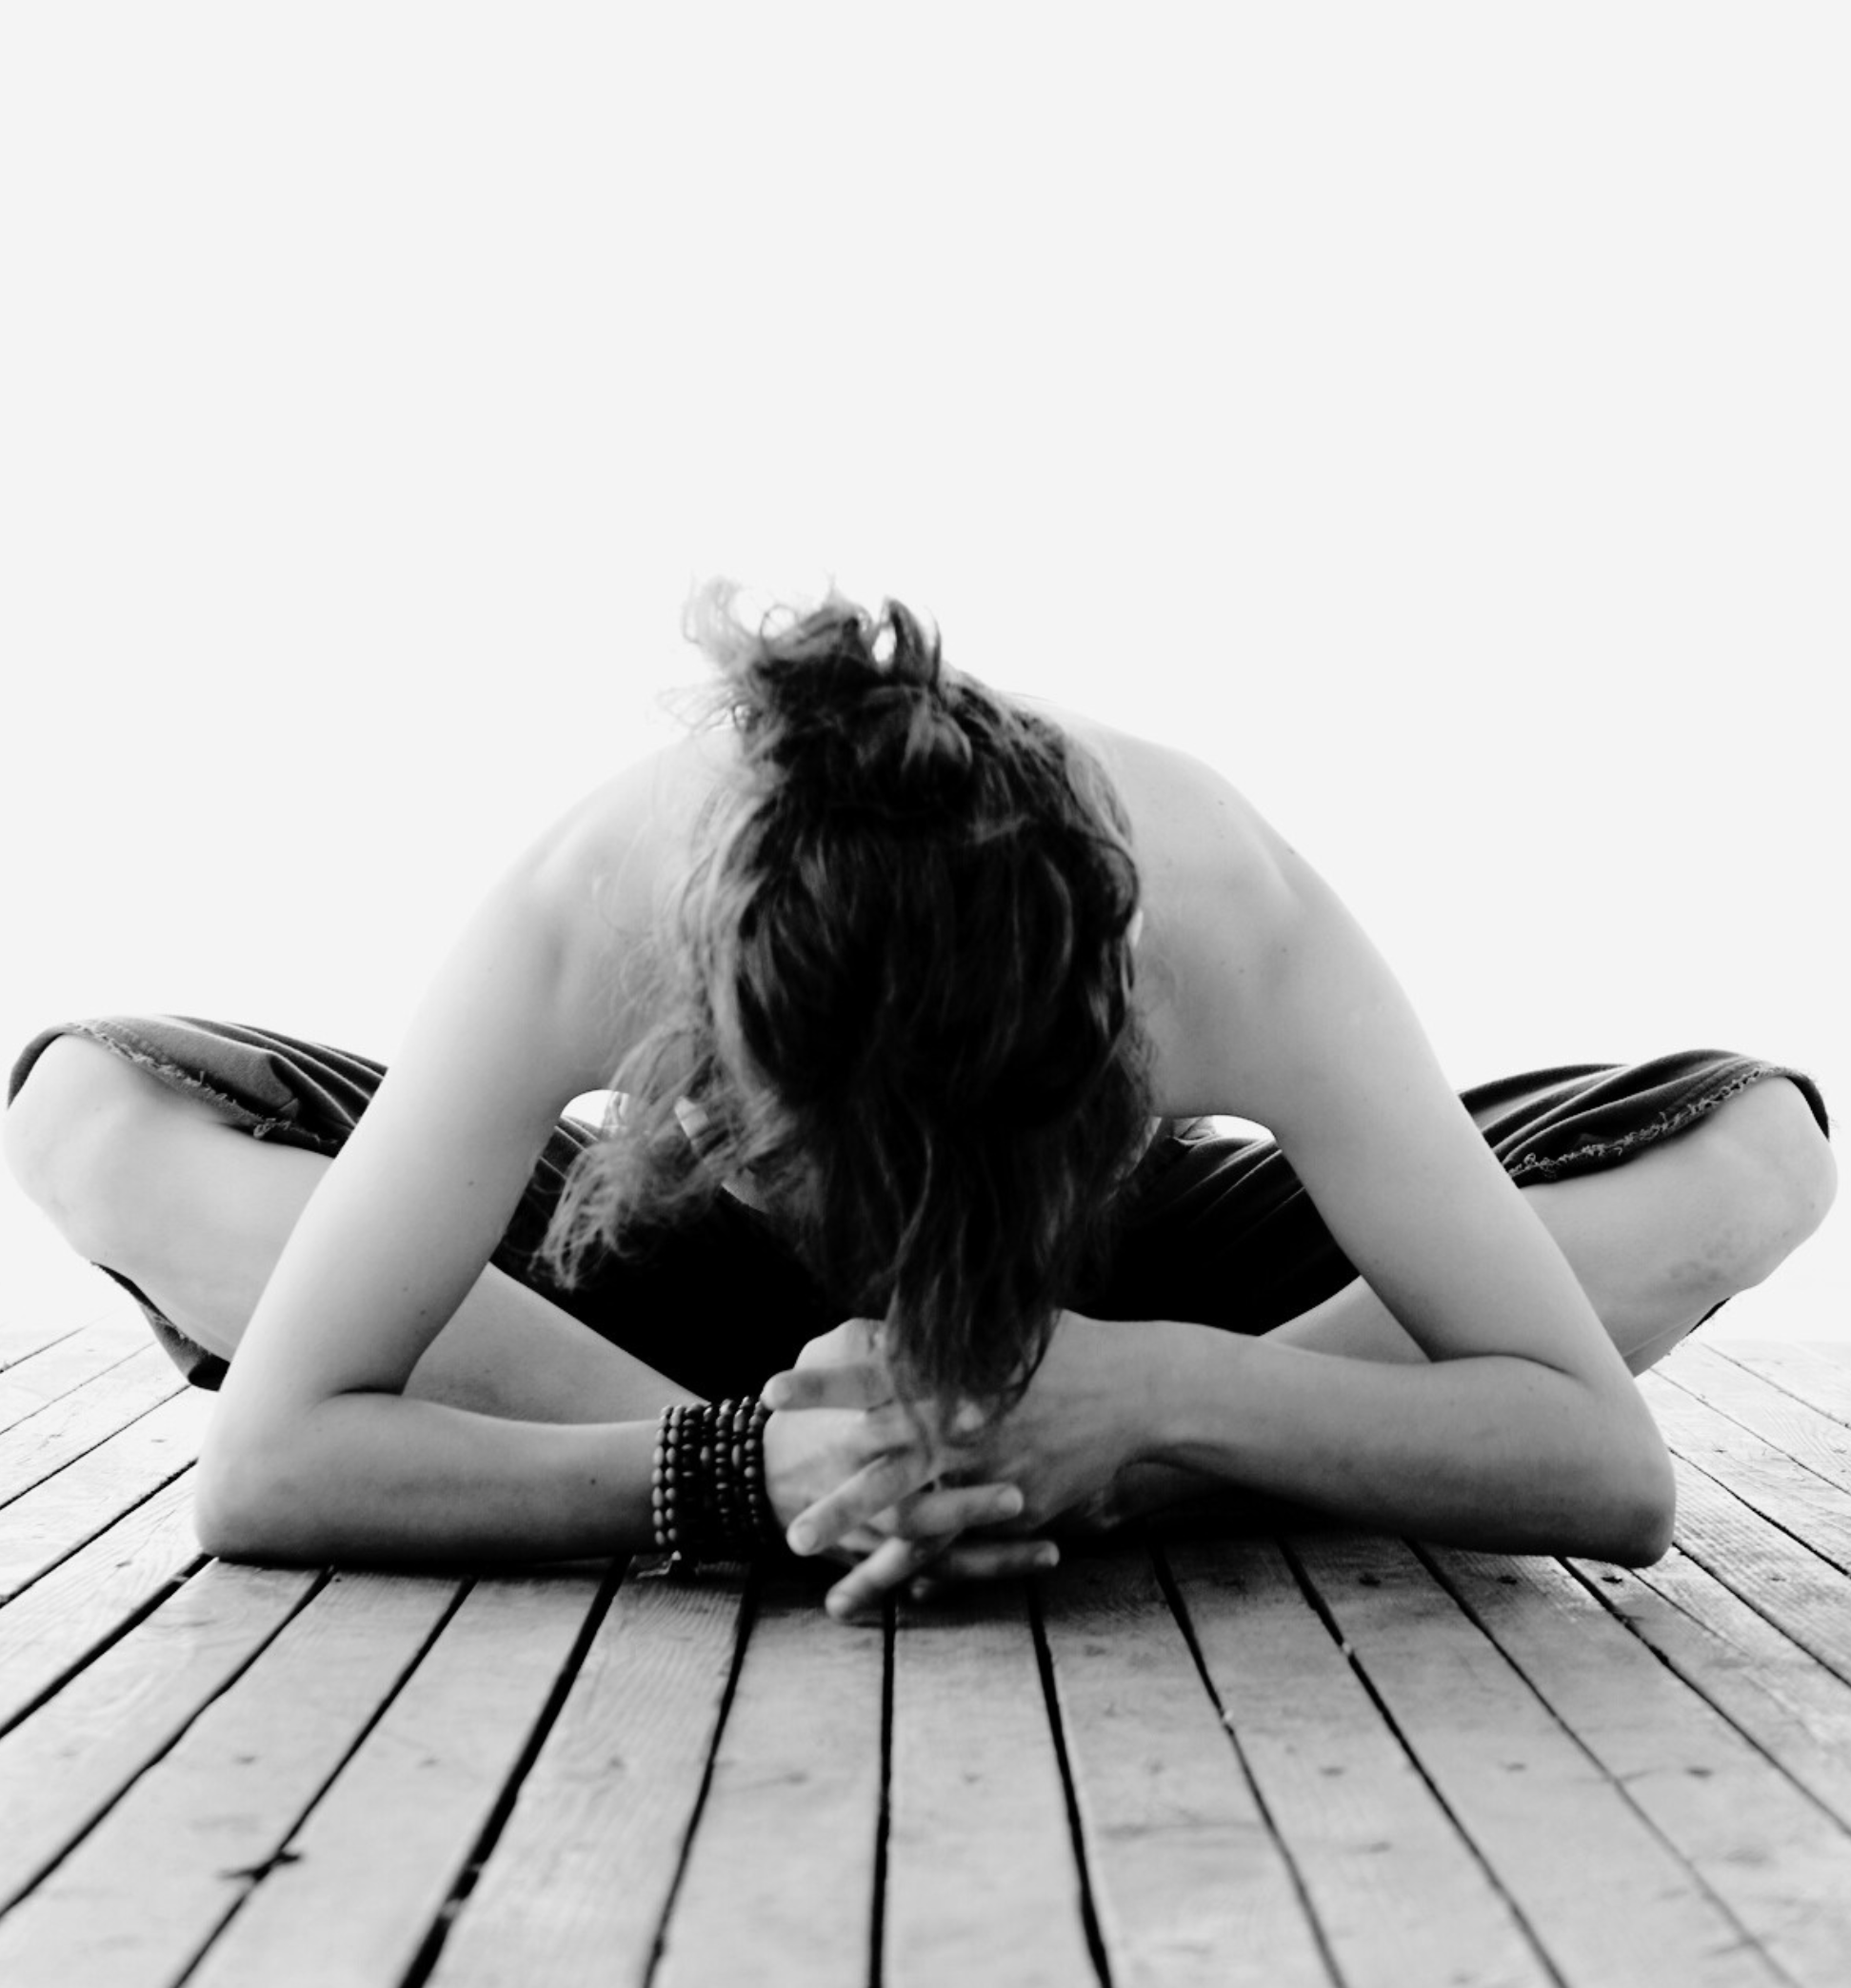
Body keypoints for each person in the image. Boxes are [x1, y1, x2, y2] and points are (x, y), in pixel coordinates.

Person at [3, 588, 1837, 1621]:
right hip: (682, 1295)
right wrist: (732, 1470)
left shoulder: (1215, 910)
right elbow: (268, 1471)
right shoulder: (604, 896)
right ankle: (888, 1471)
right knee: (88, 1111)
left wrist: (1156, 1395)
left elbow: (1604, 1474)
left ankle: (1031, 1457)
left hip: (1106, 1282)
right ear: (709, 1040)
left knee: (1753, 1145)